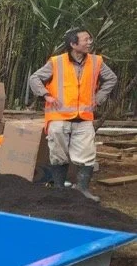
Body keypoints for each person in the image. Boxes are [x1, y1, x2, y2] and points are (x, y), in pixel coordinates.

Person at [29, 28, 117, 201]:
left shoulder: (96, 61)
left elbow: (111, 78)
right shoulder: (56, 62)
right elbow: (34, 78)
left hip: (84, 117)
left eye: (90, 39)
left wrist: (98, 98)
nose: (90, 42)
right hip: (58, 117)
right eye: (86, 40)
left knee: (87, 153)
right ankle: (60, 189)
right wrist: (46, 94)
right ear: (73, 44)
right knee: (58, 153)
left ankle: (82, 189)